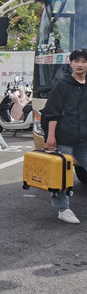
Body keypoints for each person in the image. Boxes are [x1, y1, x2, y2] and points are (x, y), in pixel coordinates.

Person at [42, 48, 87, 224]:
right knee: (63, 174)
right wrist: (51, 137)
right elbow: (52, 112)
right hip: (65, 136)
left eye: (83, 61)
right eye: (76, 61)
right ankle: (63, 209)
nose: (80, 64)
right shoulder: (62, 84)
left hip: (83, 137)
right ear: (70, 63)